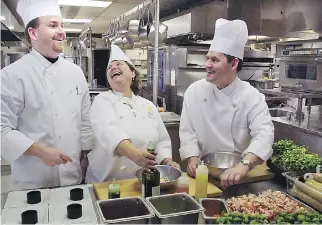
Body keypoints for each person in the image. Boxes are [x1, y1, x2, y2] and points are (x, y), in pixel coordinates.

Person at [1, 0, 93, 190]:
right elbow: (2, 129)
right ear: (33, 33)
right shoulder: (11, 75)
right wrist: (41, 152)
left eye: (62, 25)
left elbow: (85, 120)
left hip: (73, 175)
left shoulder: (75, 72)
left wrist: (86, 156)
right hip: (33, 179)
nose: (62, 31)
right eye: (52, 25)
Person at [179, 18, 274, 188]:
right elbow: (188, 132)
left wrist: (244, 165)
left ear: (234, 63)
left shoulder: (252, 97)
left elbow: (264, 135)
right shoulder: (194, 91)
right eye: (207, 58)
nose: (207, 64)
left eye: (215, 60)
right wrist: (192, 158)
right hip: (203, 176)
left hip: (240, 177)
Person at [86, 44, 180, 183]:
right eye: (109, 68)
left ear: (133, 73)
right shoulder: (102, 101)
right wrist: (135, 155)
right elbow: (109, 132)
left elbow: (162, 140)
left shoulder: (147, 105)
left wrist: (166, 160)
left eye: (118, 64)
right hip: (107, 183)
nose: (113, 68)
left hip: (141, 182)